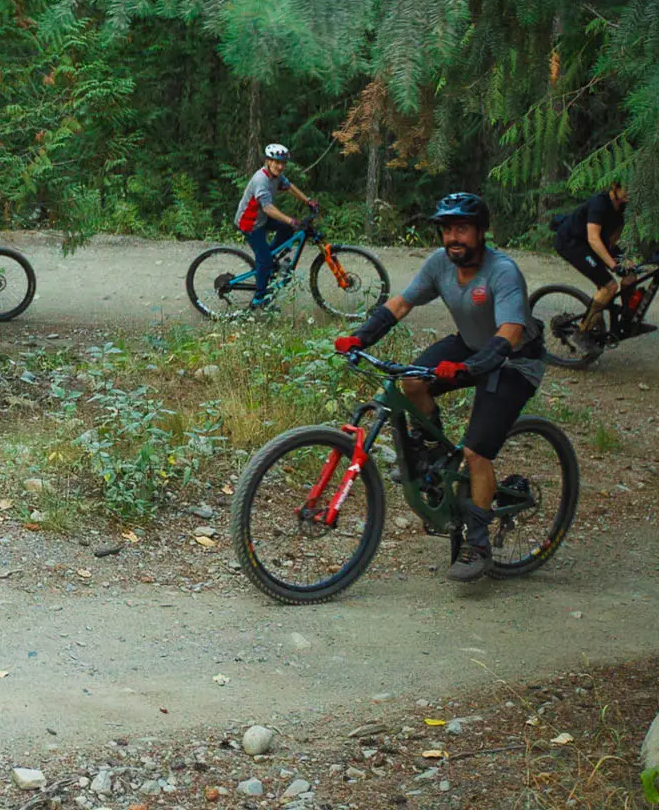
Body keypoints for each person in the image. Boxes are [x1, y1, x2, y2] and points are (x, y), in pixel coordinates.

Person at [334, 192, 546, 583]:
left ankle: (477, 544)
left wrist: (468, 369)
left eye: (462, 229)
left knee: (477, 451)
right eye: (447, 230)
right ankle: (432, 456)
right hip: (471, 346)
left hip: (514, 361)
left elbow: (511, 332)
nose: (453, 238)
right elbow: (401, 304)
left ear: (481, 232)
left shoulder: (502, 271)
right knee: (412, 380)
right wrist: (360, 337)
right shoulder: (439, 264)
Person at [553, 181, 633, 350]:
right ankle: (582, 332)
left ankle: (625, 318)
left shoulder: (622, 209)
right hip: (572, 243)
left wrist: (625, 262)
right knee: (609, 286)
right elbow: (593, 238)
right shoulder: (600, 204)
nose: (630, 192)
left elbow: (612, 242)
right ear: (615, 187)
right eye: (626, 188)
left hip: (594, 243)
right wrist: (613, 265)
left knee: (631, 275)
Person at [234, 144, 317, 307]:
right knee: (264, 260)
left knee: (287, 229)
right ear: (268, 161)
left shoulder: (276, 176)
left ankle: (270, 258)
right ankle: (259, 298)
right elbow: (268, 208)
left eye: (283, 163)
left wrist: (307, 201)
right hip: (250, 223)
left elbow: (289, 187)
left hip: (262, 218)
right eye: (277, 162)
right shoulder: (261, 180)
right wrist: (289, 220)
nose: (280, 166)